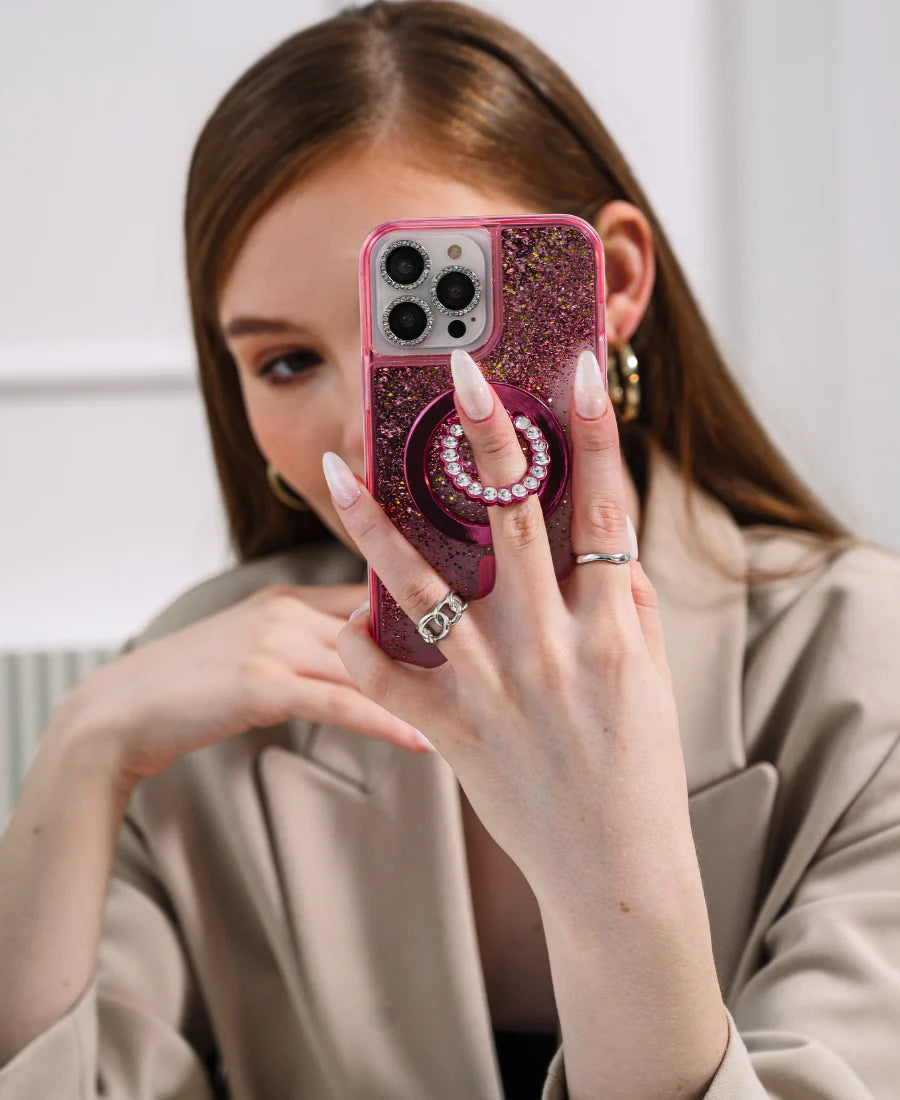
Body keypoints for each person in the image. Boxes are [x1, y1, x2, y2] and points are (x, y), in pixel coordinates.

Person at [1, 1, 898, 1097]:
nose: (362, 429)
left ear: (607, 286)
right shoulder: (200, 696)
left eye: (435, 323)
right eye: (285, 362)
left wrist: (605, 873)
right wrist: (80, 748)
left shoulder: (863, 664)